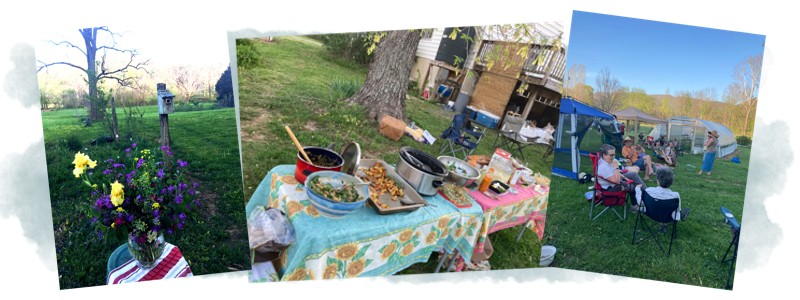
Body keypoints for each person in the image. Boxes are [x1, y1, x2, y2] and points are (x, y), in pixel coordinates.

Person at [597, 144, 646, 210]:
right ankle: (635, 206)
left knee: (633, 175)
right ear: (604, 155)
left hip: (614, 180)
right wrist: (616, 167)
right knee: (633, 186)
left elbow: (615, 174)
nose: (613, 157)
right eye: (611, 155)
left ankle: (646, 191)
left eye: (614, 154)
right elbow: (617, 181)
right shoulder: (603, 167)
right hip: (611, 188)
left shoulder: (606, 161)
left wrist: (625, 178)